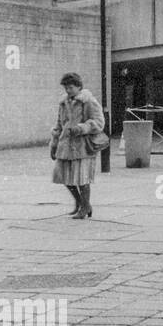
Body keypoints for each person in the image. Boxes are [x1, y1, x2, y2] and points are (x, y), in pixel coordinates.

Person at [50, 72, 105, 219]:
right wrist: (54, 143)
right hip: (65, 146)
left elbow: (99, 122)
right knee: (64, 178)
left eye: (71, 87)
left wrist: (81, 128)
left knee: (82, 179)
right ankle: (81, 203)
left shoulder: (89, 101)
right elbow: (58, 124)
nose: (68, 91)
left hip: (82, 147)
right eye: (66, 88)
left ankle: (84, 206)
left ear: (79, 87)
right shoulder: (63, 103)